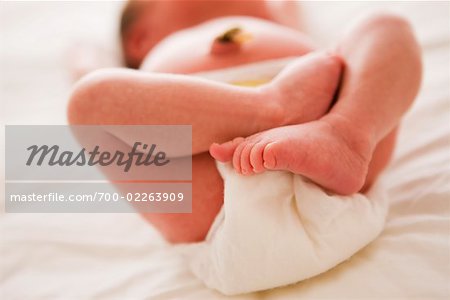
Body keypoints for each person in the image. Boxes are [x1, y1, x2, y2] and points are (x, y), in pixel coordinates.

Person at [68, 7, 422, 244]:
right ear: (139, 39)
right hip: (205, 174)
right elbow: (99, 81)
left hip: (326, 123)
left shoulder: (281, 22)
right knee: (90, 97)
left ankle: (347, 133)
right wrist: (88, 62)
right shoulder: (151, 64)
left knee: (384, 26)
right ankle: (270, 108)